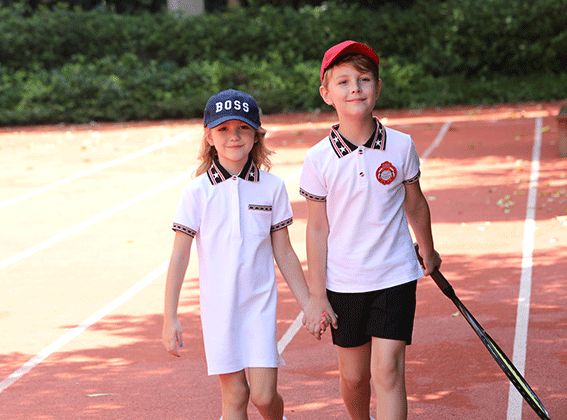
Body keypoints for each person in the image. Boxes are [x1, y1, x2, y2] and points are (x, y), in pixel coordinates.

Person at [300, 41, 442, 420]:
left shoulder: (401, 145)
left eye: (364, 80)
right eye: (343, 82)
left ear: (377, 87)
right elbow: (317, 229)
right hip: (343, 282)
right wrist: (317, 295)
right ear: (326, 94)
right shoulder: (318, 158)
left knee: (388, 370)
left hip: (395, 275)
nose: (355, 89)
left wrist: (428, 249)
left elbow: (415, 203)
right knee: (354, 377)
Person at [162, 89, 322, 420]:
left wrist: (308, 304)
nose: (233, 136)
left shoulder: (272, 187)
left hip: (259, 306)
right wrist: (170, 317)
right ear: (209, 137)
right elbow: (179, 256)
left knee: (264, 397)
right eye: (223, 129)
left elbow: (284, 251)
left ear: (256, 135)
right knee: (235, 395)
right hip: (219, 310)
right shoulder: (197, 192)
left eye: (243, 128)